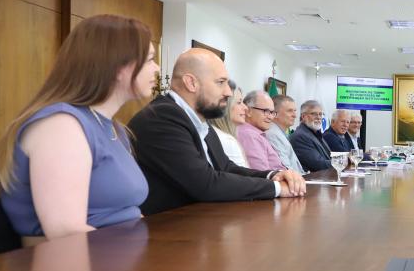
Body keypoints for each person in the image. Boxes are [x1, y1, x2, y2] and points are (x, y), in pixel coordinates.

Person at [0, 14, 154, 241]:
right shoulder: (61, 126)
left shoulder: (115, 129)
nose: (157, 68)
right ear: (118, 66)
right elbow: (66, 233)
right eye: (149, 59)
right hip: (77, 268)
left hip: (118, 262)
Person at [128, 48, 305, 215]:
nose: (228, 92)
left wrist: (273, 176)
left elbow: (226, 168)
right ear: (191, 83)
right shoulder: (162, 117)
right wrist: (277, 189)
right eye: (221, 83)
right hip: (165, 235)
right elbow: (205, 183)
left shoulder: (198, 119)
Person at [236, 90, 286, 171]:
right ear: (248, 111)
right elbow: (262, 174)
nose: (270, 117)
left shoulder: (256, 133)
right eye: (266, 111)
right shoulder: (250, 135)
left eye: (272, 112)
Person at [208, 81, 249, 167]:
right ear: (225, 106)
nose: (245, 108)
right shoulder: (227, 141)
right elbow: (242, 178)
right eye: (239, 102)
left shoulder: (213, 133)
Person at [267, 94, 306, 174]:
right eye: (289, 111)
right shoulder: (273, 134)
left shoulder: (280, 132)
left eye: (295, 111)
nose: (295, 115)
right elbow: (286, 169)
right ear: (275, 114)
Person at [290, 100, 332, 172]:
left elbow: (329, 156)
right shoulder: (300, 136)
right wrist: (344, 162)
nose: (318, 117)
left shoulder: (316, 133)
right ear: (303, 116)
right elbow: (319, 165)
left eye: (320, 114)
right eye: (314, 114)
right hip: (314, 180)